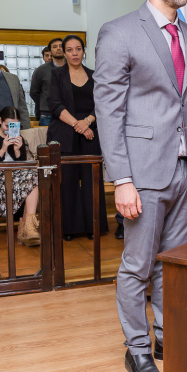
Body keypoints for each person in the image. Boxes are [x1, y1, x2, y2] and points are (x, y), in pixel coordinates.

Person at [93, 0, 187, 372]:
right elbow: (109, 113)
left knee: (174, 262)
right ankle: (138, 348)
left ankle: (168, 335)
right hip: (143, 173)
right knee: (137, 267)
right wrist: (121, 179)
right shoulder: (119, 32)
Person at [46, 35, 108, 241]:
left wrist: (87, 122)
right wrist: (77, 125)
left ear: (83, 51)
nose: (74, 53)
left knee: (92, 181)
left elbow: (102, 104)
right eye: (70, 49)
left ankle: (94, 226)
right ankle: (69, 229)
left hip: (91, 132)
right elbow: (55, 105)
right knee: (68, 182)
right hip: (65, 133)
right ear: (63, 52)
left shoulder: (94, 75)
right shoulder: (56, 75)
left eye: (78, 49)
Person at [0, 106, 40, 246]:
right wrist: (2, 149)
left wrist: (17, 151)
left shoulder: (19, 137)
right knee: (32, 179)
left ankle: (28, 228)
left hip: (17, 175)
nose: (10, 129)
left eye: (14, 125)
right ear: (0, 120)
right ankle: (27, 229)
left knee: (33, 176)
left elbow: (22, 165)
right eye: (7, 125)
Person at [30, 38, 65, 126]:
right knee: (47, 139)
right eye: (54, 46)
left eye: (61, 46)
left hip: (70, 113)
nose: (58, 48)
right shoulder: (41, 70)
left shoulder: (73, 67)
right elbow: (34, 92)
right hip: (48, 115)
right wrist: (45, 103)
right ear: (51, 50)